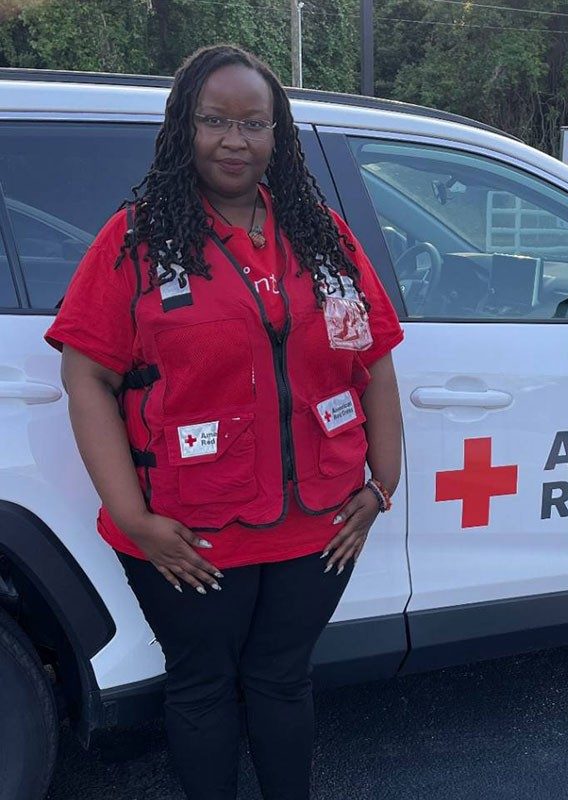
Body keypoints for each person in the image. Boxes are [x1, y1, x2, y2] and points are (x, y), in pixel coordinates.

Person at [45, 44, 403, 800]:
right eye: (214, 120)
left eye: (253, 123)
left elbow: (372, 360)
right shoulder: (138, 241)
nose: (234, 140)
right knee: (202, 686)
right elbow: (86, 377)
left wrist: (382, 486)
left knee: (282, 681)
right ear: (184, 127)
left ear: (279, 136)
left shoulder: (324, 237)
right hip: (188, 531)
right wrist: (133, 519)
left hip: (318, 522)